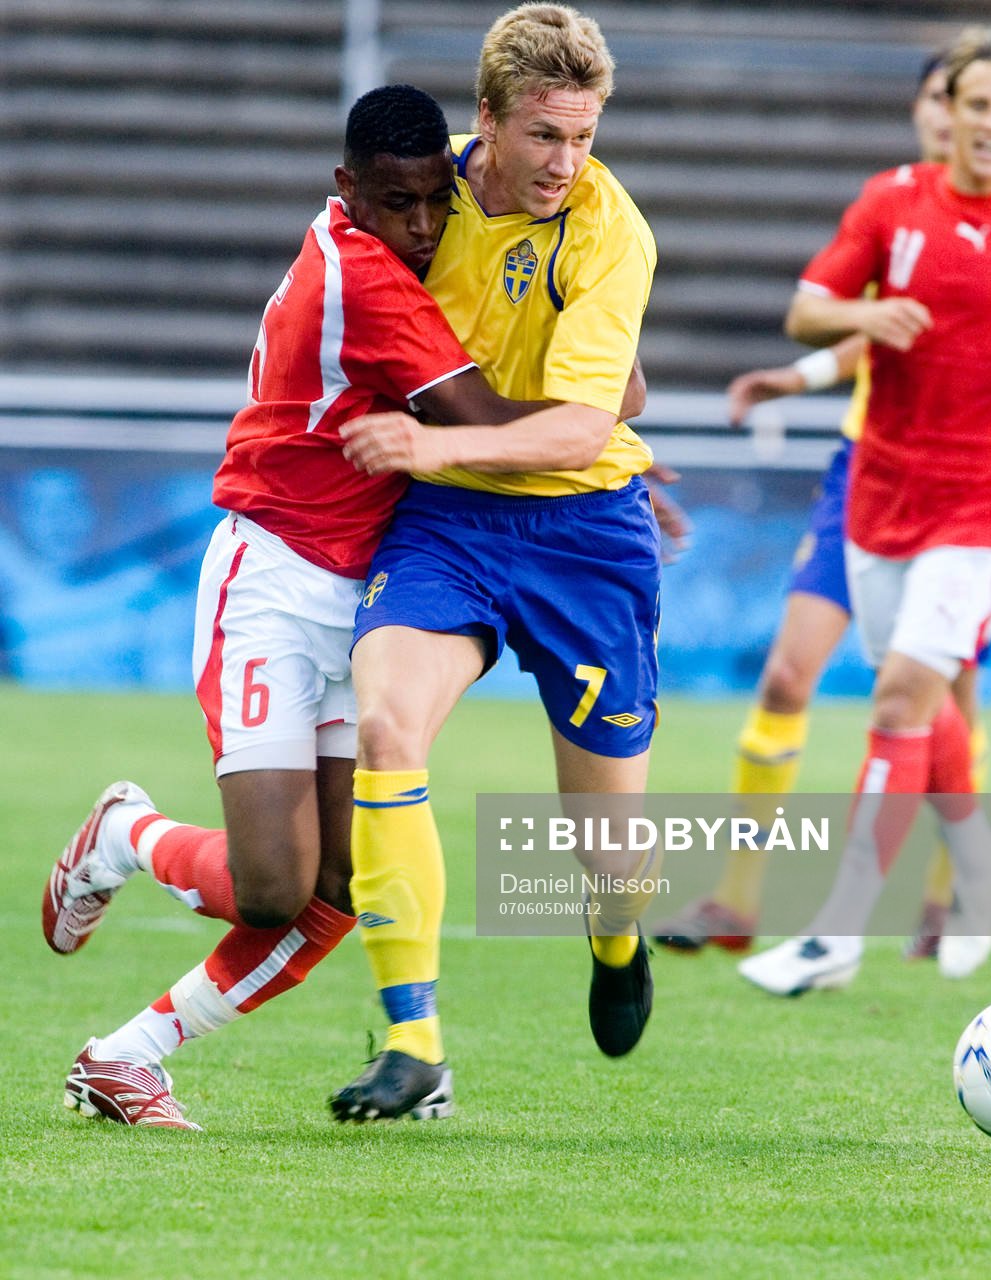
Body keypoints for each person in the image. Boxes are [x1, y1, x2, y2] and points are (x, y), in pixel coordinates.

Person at [40, 83, 630, 1129]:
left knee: (346, 881)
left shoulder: (417, 240)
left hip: (368, 586)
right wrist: (601, 413)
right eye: (398, 203)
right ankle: (126, 832)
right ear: (345, 189)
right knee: (272, 886)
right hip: (272, 577)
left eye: (435, 201)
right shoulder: (363, 276)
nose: (423, 225)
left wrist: (593, 408)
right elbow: (488, 414)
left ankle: (128, 1056)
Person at [736, 37, 991, 997]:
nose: (990, 123)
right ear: (946, 112)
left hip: (989, 506)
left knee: (900, 700)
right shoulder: (891, 202)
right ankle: (982, 859)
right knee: (921, 698)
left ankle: (835, 934)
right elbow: (807, 309)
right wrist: (864, 319)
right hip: (883, 496)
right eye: (976, 104)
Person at [327, 3, 661, 1122]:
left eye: (585, 135)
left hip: (585, 533)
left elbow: (585, 426)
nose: (566, 162)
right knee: (386, 728)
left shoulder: (612, 231)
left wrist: (433, 443)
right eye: (543, 135)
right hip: (449, 526)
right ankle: (413, 1041)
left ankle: (617, 938)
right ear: (488, 118)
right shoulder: (424, 198)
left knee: (608, 856)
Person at [653, 42, 991, 965]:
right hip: (866, 473)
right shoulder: (895, 207)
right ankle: (736, 899)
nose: (952, 114)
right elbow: (869, 331)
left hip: (965, 491)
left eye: (969, 100)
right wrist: (797, 376)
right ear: (925, 109)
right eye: (941, 96)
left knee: (945, 698)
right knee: (785, 678)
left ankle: (947, 894)